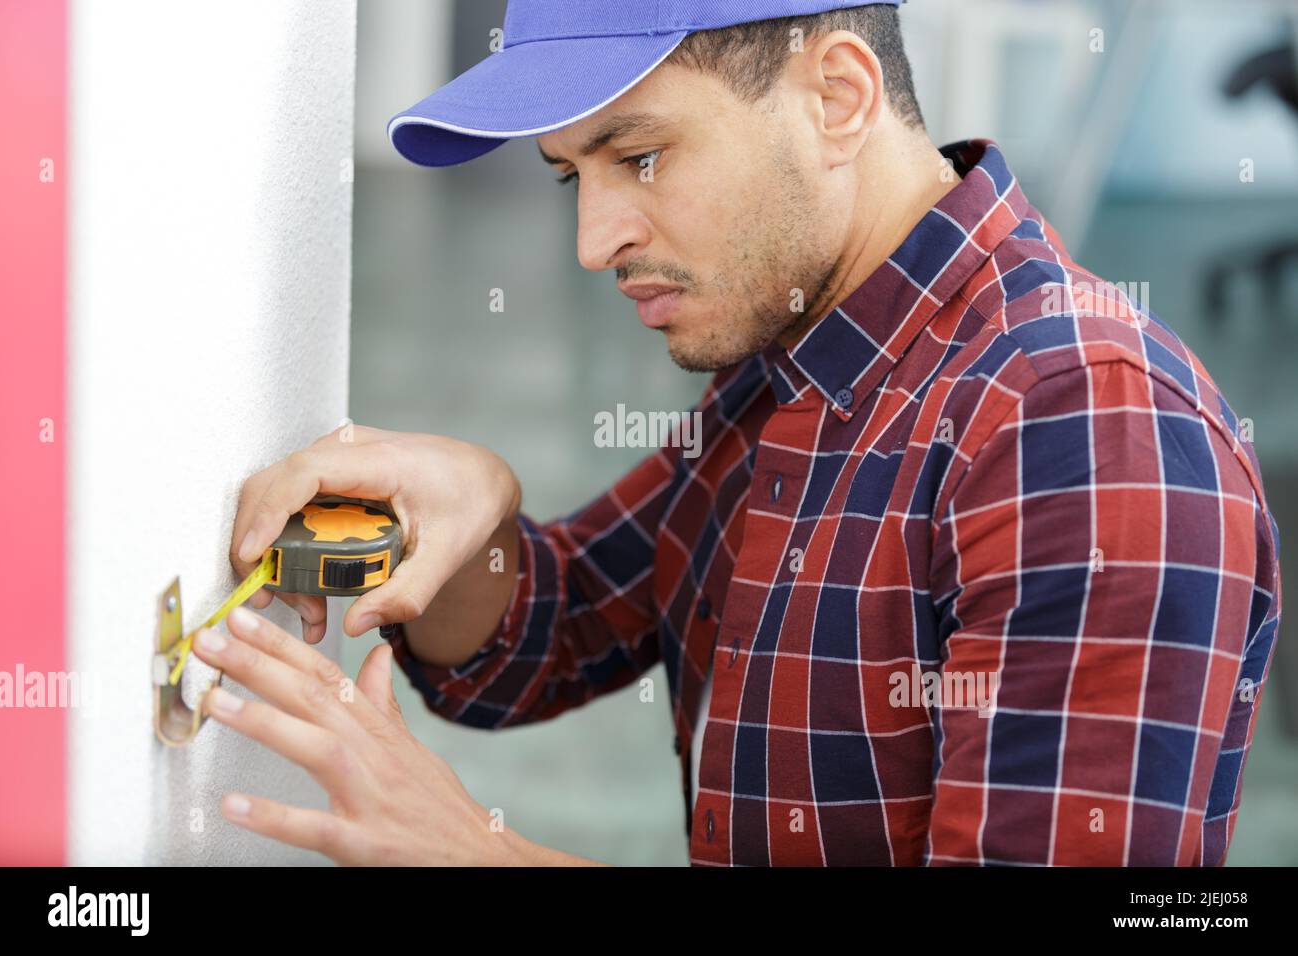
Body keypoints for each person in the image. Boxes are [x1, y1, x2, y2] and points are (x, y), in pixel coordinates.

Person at [191, 0, 1281, 866]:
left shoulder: (1082, 430)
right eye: (571, 175)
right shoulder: (805, 346)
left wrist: (478, 854)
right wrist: (476, 503)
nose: (593, 242)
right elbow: (557, 627)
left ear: (838, 97)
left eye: (640, 157)